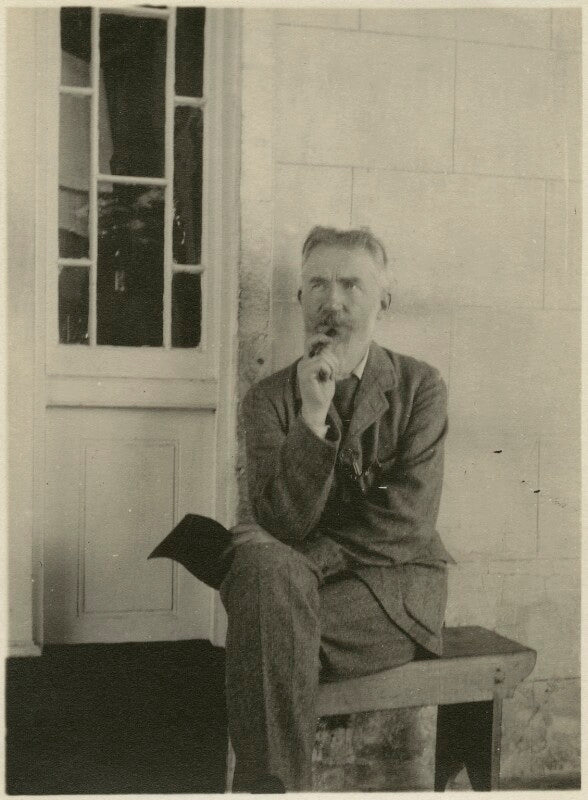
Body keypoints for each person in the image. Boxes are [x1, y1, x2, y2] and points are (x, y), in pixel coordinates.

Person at [220, 226, 454, 792]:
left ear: (384, 299)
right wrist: (312, 416)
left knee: (263, 611)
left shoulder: (420, 387)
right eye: (318, 284)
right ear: (299, 297)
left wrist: (305, 561)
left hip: (392, 597)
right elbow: (282, 522)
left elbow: (408, 522)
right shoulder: (269, 400)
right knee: (265, 584)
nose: (333, 301)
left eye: (351, 285)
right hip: (294, 594)